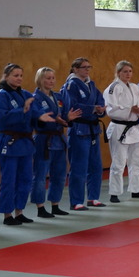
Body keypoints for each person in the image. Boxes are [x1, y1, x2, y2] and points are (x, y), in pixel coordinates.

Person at [30, 67, 80, 218]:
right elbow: (35, 118)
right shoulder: (35, 98)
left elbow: (63, 117)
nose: (51, 81)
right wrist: (54, 120)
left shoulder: (58, 97)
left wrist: (67, 118)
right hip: (43, 139)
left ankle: (55, 204)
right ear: (40, 80)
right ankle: (40, 207)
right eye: (48, 78)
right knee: (40, 174)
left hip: (59, 139)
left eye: (53, 78)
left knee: (59, 174)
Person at [0, 63, 36, 225]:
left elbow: (35, 114)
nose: (19, 78)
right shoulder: (1, 96)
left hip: (25, 142)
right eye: (15, 75)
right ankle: (7, 214)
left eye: (21, 75)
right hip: (9, 141)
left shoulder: (26, 94)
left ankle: (19, 211)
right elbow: (1, 117)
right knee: (9, 180)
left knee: (26, 179)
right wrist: (22, 110)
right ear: (6, 76)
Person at [63, 58, 107, 210]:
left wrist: (100, 110)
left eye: (89, 67)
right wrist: (93, 108)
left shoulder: (91, 84)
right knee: (79, 166)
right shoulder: (71, 85)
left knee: (96, 165)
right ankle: (76, 201)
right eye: (84, 67)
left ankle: (93, 197)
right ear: (75, 69)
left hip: (93, 129)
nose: (87, 69)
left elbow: (101, 101)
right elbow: (73, 106)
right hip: (79, 129)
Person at [104, 60, 139, 202]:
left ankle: (135, 190)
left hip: (134, 129)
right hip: (119, 128)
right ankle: (114, 193)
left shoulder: (135, 87)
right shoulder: (113, 88)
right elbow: (111, 110)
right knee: (118, 162)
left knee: (137, 161)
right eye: (125, 71)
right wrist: (130, 110)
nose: (128, 74)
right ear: (118, 73)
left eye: (130, 71)